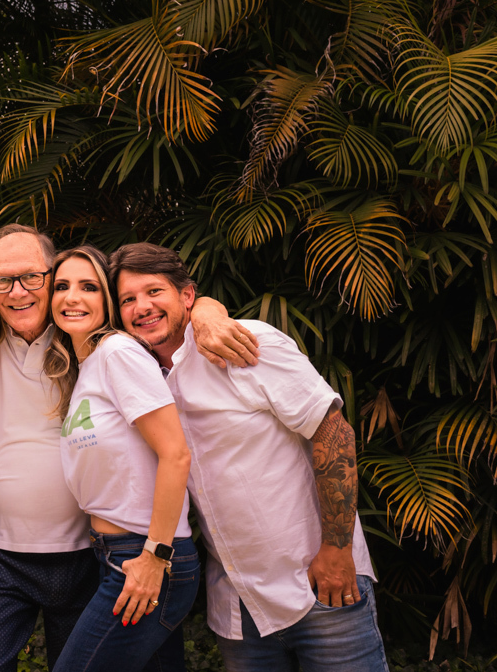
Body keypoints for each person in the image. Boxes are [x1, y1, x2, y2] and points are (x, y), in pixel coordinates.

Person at [0, 224, 259, 672]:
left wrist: (208, 313)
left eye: (33, 278)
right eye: (3, 280)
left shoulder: (87, 339)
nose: (17, 292)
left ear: (51, 274)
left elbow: (161, 305)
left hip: (86, 552)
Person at [109, 242, 390, 672]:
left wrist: (336, 550)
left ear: (186, 296)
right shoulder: (138, 379)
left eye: (153, 292)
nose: (141, 307)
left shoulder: (247, 343)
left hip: (321, 585)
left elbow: (332, 430)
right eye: (128, 299)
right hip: (239, 610)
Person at [45, 246, 199, 671]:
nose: (72, 297)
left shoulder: (117, 353)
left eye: (89, 287)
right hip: (113, 552)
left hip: (144, 556)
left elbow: (175, 453)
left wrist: (155, 556)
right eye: (61, 286)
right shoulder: (88, 366)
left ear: (107, 302)